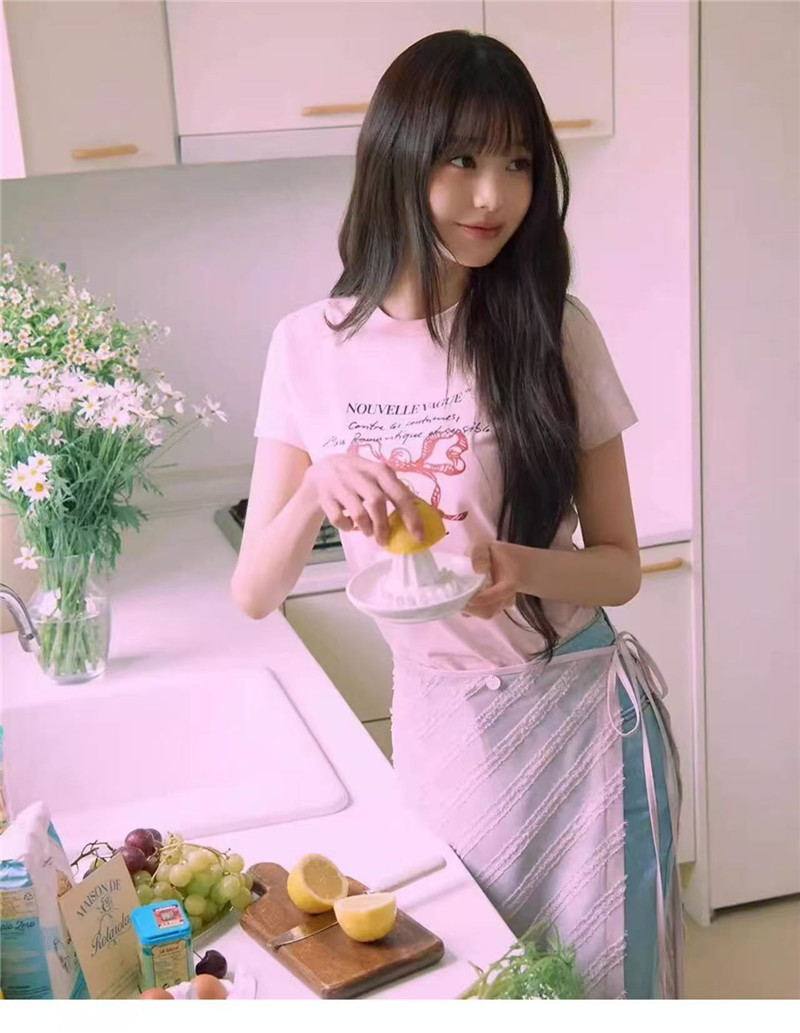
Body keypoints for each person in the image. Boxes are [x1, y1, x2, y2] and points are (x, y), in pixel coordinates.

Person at [231, 30, 684, 1000]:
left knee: (604, 991)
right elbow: (253, 591)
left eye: (518, 163)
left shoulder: (552, 329)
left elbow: (618, 566)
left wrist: (515, 566)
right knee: (473, 987)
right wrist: (317, 486)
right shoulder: (307, 345)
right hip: (441, 727)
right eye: (463, 159)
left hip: (577, 718)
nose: (493, 197)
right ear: (400, 159)